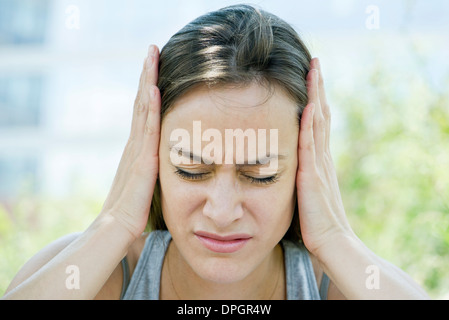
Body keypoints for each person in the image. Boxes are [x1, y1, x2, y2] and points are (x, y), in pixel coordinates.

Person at [2, 4, 428, 300]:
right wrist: (114, 224)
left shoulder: (339, 285)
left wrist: (336, 238)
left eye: (260, 173)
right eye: (191, 169)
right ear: (149, 161)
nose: (222, 213)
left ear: (305, 168)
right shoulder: (99, 276)